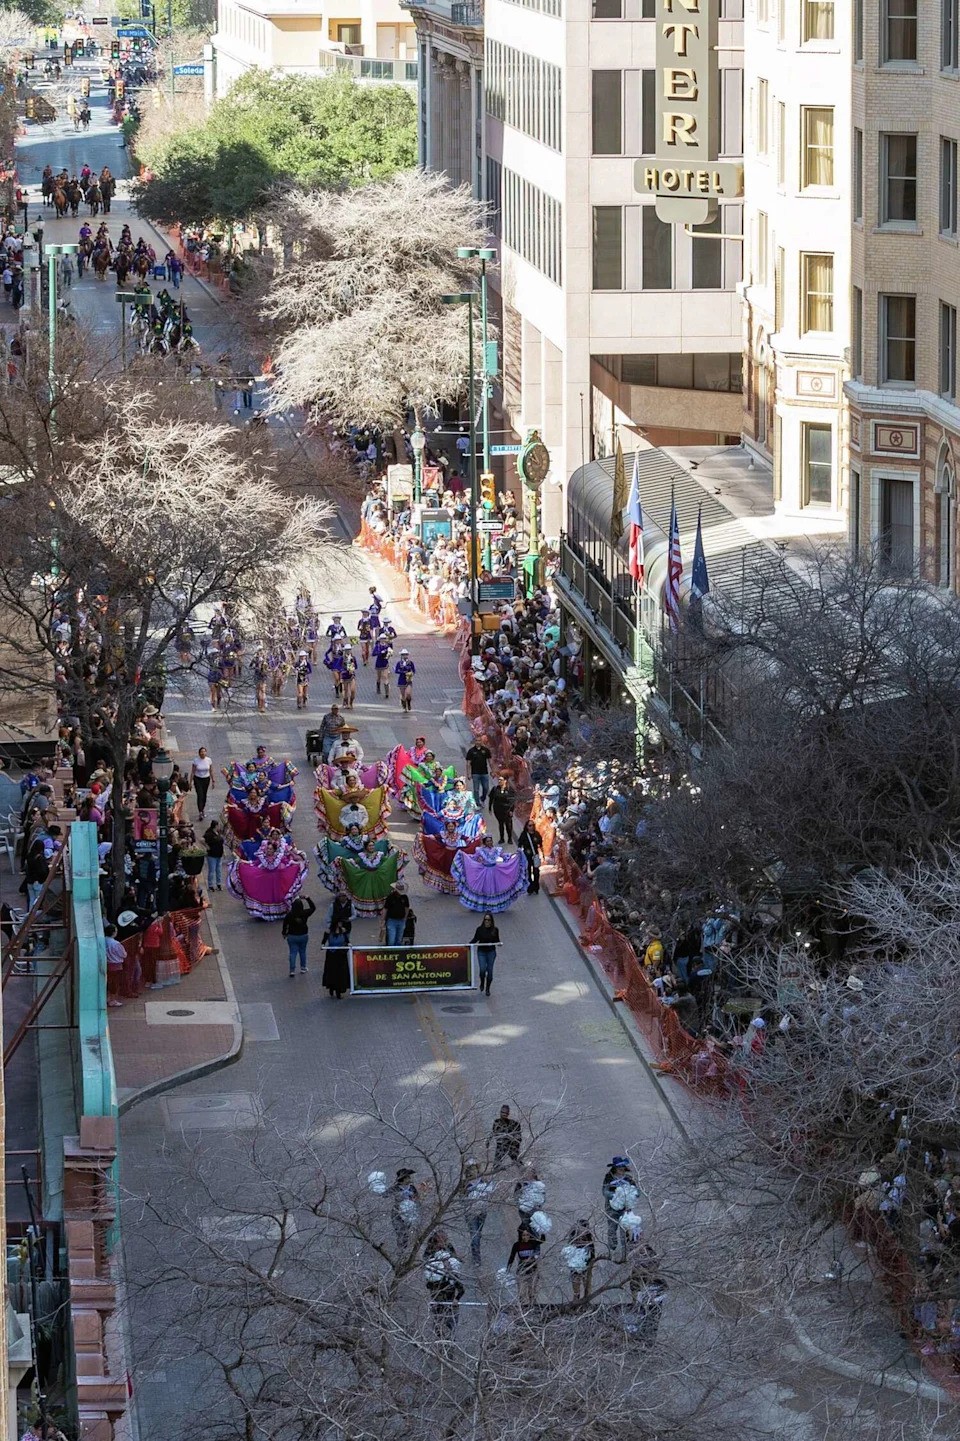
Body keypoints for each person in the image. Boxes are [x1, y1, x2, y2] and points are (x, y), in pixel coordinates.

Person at [463, 1159, 493, 1265]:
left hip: (482, 1210)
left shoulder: (484, 1181)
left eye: (475, 1169)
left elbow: (490, 1193)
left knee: (478, 1233)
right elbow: (462, 1199)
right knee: (474, 1234)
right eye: (471, 1169)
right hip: (470, 1212)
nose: (473, 1171)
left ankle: (476, 1250)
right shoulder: (465, 1184)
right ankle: (476, 1258)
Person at [507, 1222, 542, 1305]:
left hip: (533, 1270)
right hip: (522, 1271)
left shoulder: (533, 1243)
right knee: (521, 1293)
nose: (526, 1237)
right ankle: (522, 1309)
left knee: (532, 1292)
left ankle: (533, 1307)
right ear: (520, 1235)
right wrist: (508, 1268)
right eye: (523, 1235)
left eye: (527, 1235)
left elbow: (542, 1240)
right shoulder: (517, 1245)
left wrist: (542, 1231)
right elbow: (512, 1256)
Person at [281, 896, 316, 976]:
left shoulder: (290, 915)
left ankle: (292, 970)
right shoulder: (304, 913)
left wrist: (284, 933)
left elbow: (285, 924)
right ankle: (303, 968)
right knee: (302, 951)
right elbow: (313, 908)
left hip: (292, 936)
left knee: (293, 953)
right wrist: (308, 898)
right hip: (303, 935)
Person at [321, 905, 351, 997]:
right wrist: (322, 946)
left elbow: (347, 941)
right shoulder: (329, 932)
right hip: (332, 955)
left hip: (341, 955)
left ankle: (338, 991)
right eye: (340, 923)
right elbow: (323, 942)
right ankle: (332, 988)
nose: (341, 924)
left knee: (340, 973)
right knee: (332, 972)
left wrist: (349, 944)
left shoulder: (344, 931)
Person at [563, 1220, 596, 1303]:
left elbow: (592, 1255)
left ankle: (586, 1300)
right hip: (575, 1264)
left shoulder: (589, 1241)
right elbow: (568, 1251)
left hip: (586, 1263)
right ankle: (576, 1299)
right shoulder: (572, 1240)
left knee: (587, 1283)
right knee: (576, 1282)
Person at [390, 1168, 420, 1248]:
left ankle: (407, 1248)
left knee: (409, 1232)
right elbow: (385, 1195)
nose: (410, 1178)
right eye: (408, 1177)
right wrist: (399, 1195)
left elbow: (417, 1198)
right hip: (398, 1212)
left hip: (410, 1212)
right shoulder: (396, 1188)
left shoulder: (412, 1188)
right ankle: (401, 1249)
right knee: (401, 1232)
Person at [471, 913, 500, 996]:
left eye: (488, 920)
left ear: (491, 921)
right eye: (485, 920)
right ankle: (482, 982)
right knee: (482, 969)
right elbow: (475, 939)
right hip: (481, 952)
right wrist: (468, 945)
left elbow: (497, 940)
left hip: (491, 952)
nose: (486, 921)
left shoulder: (495, 930)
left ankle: (487, 988)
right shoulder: (479, 929)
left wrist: (498, 943)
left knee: (490, 971)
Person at [488, 1104, 521, 1169]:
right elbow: (493, 1132)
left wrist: (514, 1142)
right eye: (502, 1112)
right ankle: (496, 1168)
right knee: (496, 1163)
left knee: (516, 1161)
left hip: (510, 1146)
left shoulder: (514, 1124)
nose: (504, 1114)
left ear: (508, 1113)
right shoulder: (497, 1122)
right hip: (501, 1145)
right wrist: (488, 1141)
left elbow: (518, 1138)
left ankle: (526, 1173)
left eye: (505, 1112)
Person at [488, 775, 516, 844]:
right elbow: (491, 798)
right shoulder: (495, 789)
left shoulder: (509, 789)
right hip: (498, 810)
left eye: (501, 780)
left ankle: (510, 838)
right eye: (499, 780)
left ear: (505, 781)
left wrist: (511, 810)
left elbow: (512, 801)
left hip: (507, 810)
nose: (499, 781)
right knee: (500, 824)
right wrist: (490, 808)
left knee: (508, 825)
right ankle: (502, 838)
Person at [517, 820, 543, 894]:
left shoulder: (537, 834)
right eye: (530, 825)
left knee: (536, 872)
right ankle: (530, 887)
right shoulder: (524, 835)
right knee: (528, 872)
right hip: (526, 856)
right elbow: (519, 844)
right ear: (526, 826)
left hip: (535, 856)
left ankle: (536, 887)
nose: (532, 827)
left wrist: (542, 855)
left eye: (533, 825)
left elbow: (540, 844)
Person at [465, 739, 492, 805]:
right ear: (474, 742)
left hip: (484, 772)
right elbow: (468, 763)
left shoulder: (485, 750)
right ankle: (477, 803)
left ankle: (483, 798)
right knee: (476, 789)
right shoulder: (471, 751)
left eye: (479, 740)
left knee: (486, 788)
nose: (478, 742)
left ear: (481, 741)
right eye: (477, 741)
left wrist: (493, 771)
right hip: (475, 773)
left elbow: (490, 761)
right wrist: (468, 773)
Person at [191, 747, 214, 819]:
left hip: (206, 779)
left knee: (204, 795)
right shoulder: (196, 761)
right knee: (200, 795)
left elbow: (211, 771)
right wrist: (190, 782)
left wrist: (213, 780)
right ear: (199, 753)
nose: (203, 753)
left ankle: (203, 808)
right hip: (198, 779)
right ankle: (200, 811)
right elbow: (193, 772)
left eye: (204, 752)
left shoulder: (209, 760)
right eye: (201, 752)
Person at [204, 820, 224, 891]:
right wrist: (206, 846)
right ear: (215, 826)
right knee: (212, 870)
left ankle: (218, 884)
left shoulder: (218, 833)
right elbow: (202, 839)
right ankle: (210, 885)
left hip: (219, 854)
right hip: (212, 855)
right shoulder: (209, 834)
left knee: (218, 870)